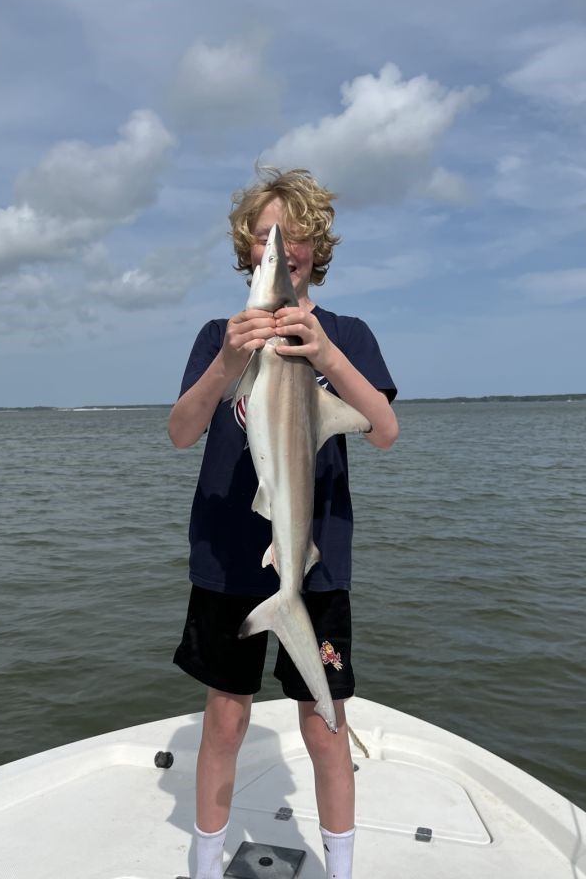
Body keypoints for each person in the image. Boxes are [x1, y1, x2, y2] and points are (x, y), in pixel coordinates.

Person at [168, 167, 398, 879]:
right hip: (230, 559)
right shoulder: (218, 334)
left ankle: (342, 870)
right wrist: (230, 361)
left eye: (295, 234)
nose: (282, 245)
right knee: (227, 718)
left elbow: (384, 429)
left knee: (325, 725)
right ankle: (206, 866)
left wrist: (323, 353)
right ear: (250, 251)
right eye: (267, 235)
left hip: (315, 562)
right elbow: (181, 432)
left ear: (314, 247)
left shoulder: (348, 334)